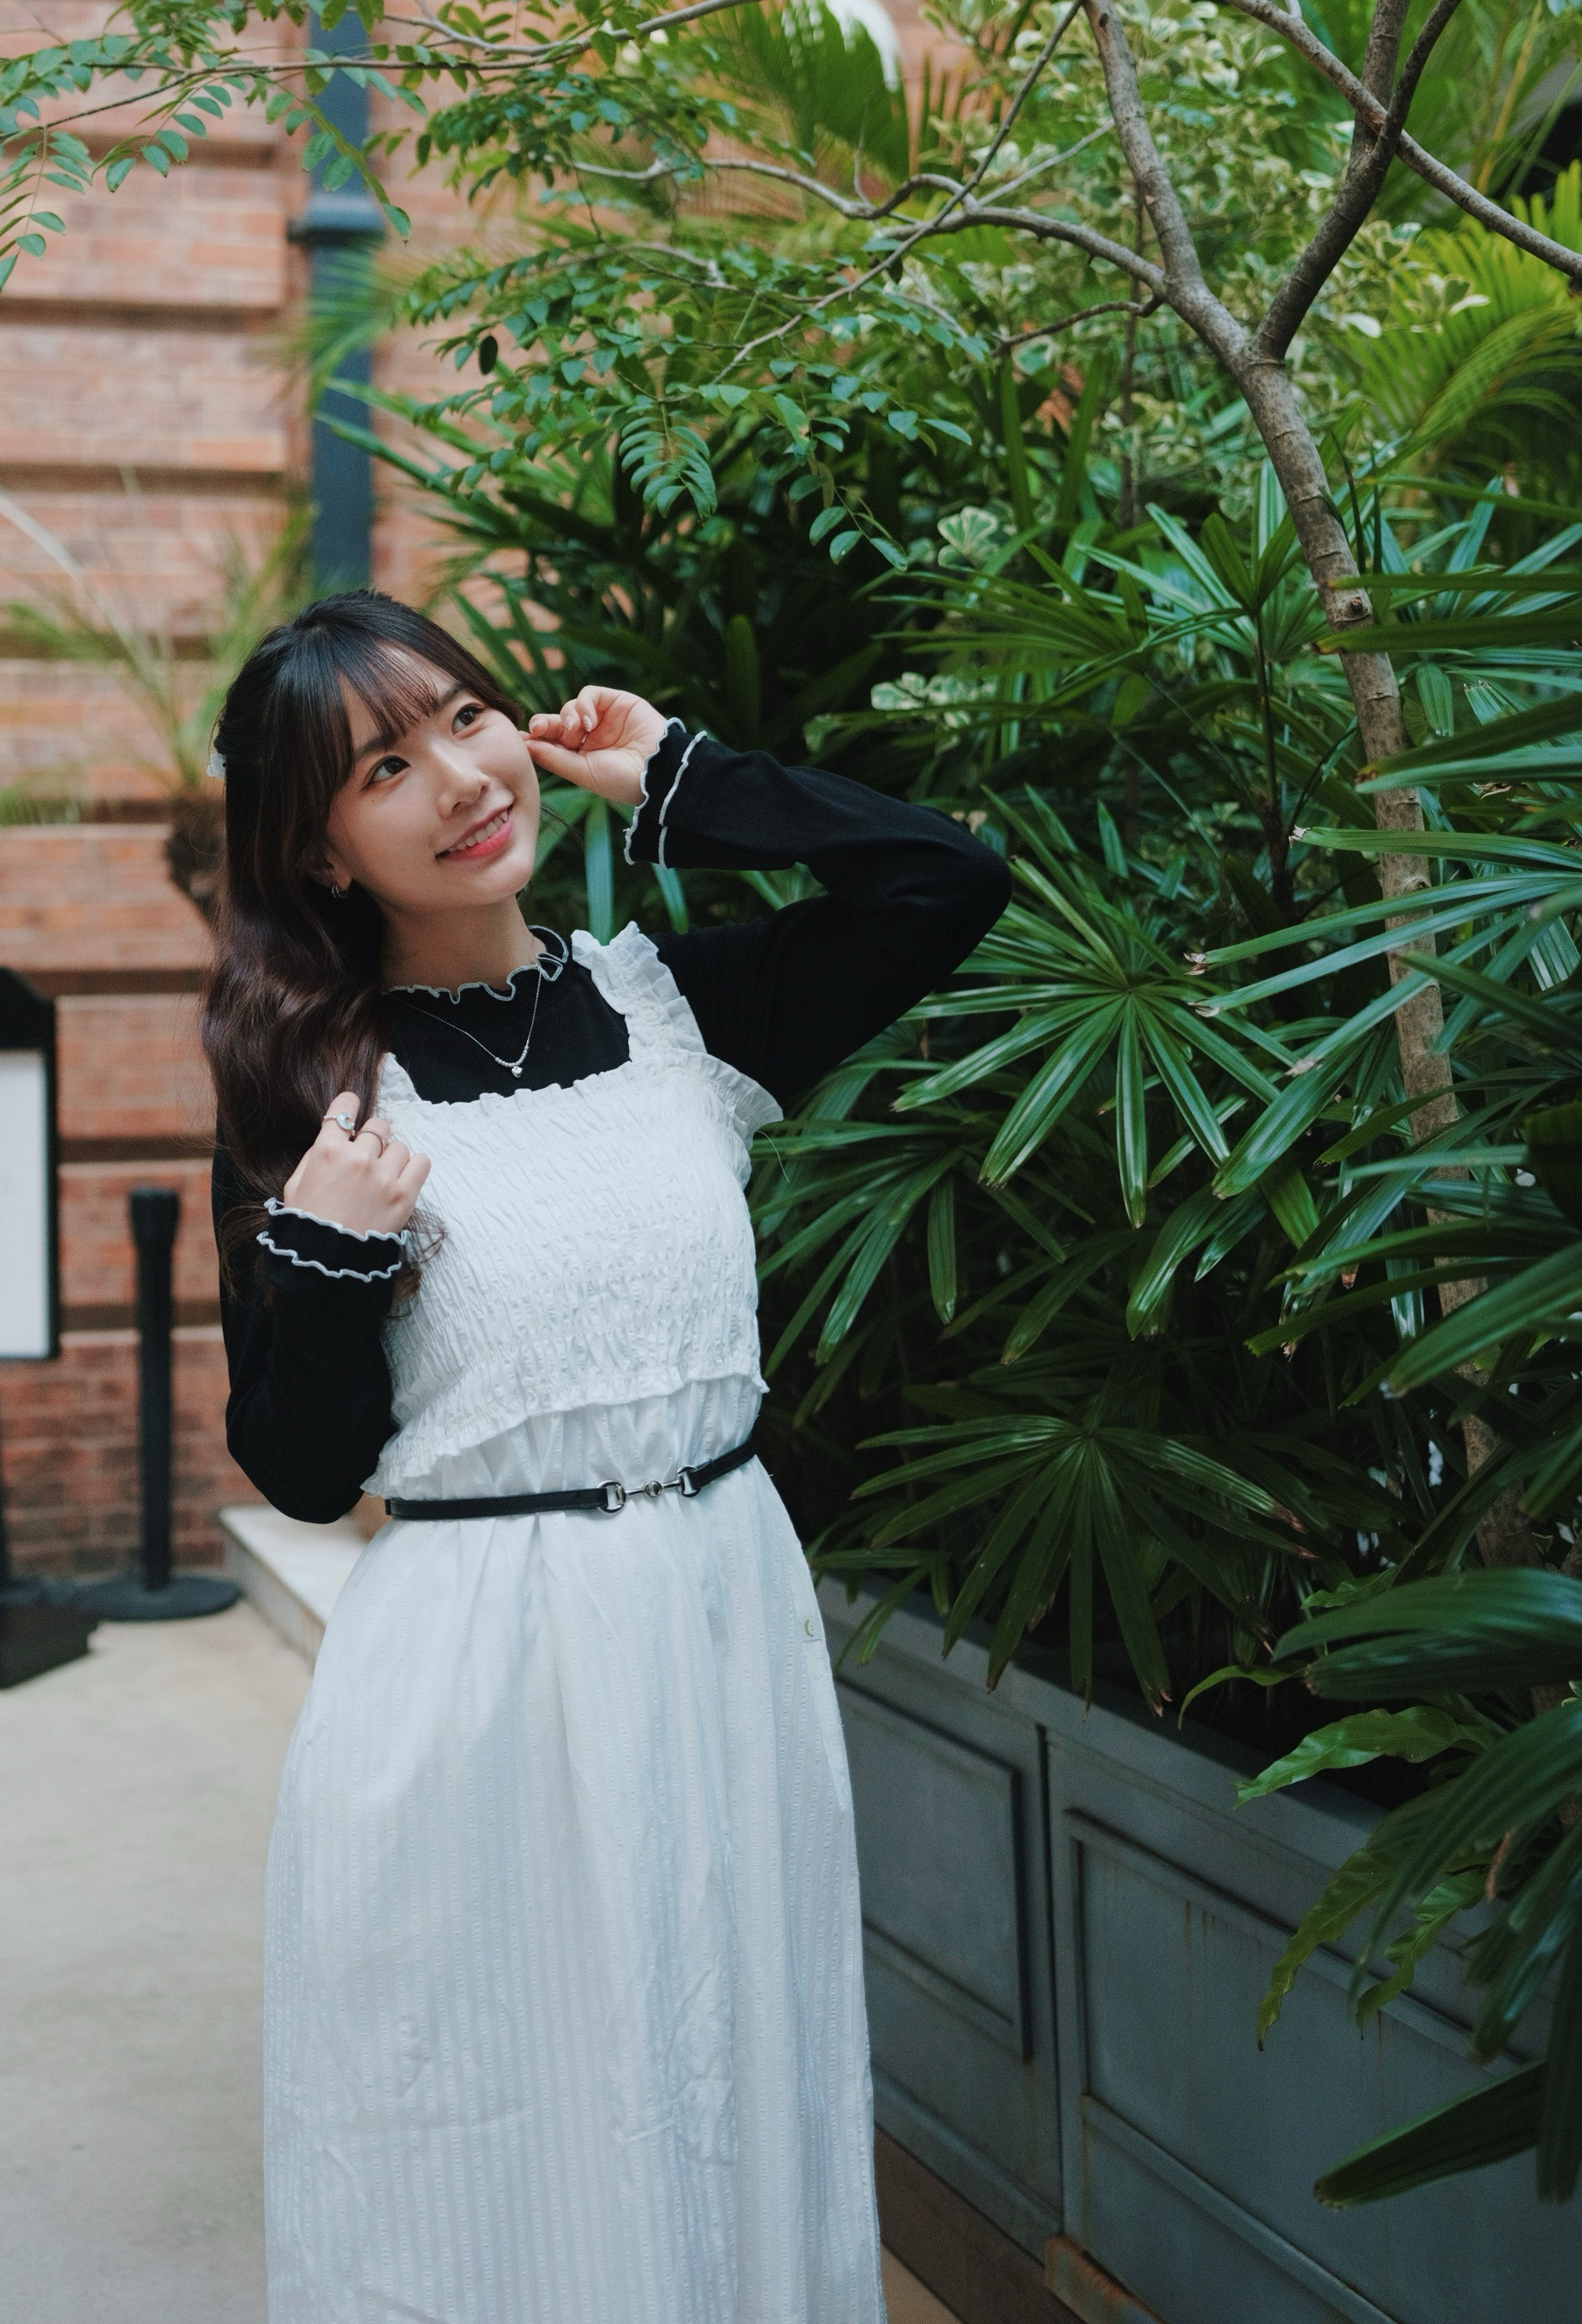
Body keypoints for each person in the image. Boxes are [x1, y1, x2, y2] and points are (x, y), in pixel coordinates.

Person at [205, 591, 1009, 2324]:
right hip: (483, 1671)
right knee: (506, 2117)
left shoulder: (678, 1008)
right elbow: (296, 1467)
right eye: (383, 769)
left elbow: (945, 881)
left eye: (467, 717)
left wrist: (683, 782)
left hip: (720, 1624)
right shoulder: (315, 1098)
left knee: (730, 2083)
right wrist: (327, 1260)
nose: (459, 780)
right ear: (323, 852)